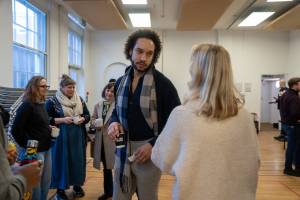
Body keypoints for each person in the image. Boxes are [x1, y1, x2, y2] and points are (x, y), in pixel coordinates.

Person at [151, 44, 260, 200]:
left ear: (197, 72)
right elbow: (254, 161)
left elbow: (161, 159)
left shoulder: (182, 115)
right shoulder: (245, 117)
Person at [107, 29, 181, 200]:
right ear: (130, 51)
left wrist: (153, 144)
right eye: (139, 51)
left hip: (149, 154)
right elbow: (115, 114)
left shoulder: (164, 85)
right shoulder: (120, 82)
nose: (143, 58)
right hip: (122, 149)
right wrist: (113, 123)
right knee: (119, 196)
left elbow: (177, 123)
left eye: (149, 54)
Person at [45, 74, 90, 200]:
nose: (72, 90)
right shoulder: (52, 102)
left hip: (77, 137)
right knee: (62, 162)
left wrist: (83, 119)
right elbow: (46, 120)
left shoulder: (79, 100)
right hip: (61, 138)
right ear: (62, 88)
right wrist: (63, 120)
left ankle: (77, 186)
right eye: (69, 87)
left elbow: (88, 115)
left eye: (73, 87)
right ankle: (60, 189)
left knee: (77, 161)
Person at [11, 76, 53, 200]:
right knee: (35, 185)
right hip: (34, 151)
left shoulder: (41, 104)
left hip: (46, 148)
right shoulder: (27, 105)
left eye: (47, 86)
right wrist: (29, 145)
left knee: (46, 182)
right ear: (34, 87)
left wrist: (48, 128)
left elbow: (37, 124)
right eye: (43, 86)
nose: (46, 89)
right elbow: (15, 130)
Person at [0, 114, 42, 200]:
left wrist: (4, 158)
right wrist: (23, 179)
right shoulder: (25, 106)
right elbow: (5, 194)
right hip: (28, 149)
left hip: (37, 148)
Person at [91, 81, 116, 200]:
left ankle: (120, 191)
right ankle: (109, 192)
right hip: (101, 142)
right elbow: (92, 119)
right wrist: (96, 122)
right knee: (106, 168)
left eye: (112, 91)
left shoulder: (118, 105)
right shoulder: (98, 104)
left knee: (118, 167)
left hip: (114, 141)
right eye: (108, 90)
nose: (109, 93)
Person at [280, 77, 300, 176]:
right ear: (295, 84)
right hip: (293, 125)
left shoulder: (285, 94)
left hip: (286, 124)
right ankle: (288, 168)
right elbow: (295, 113)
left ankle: (295, 166)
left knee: (293, 147)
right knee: (293, 147)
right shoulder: (294, 97)